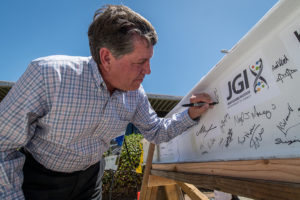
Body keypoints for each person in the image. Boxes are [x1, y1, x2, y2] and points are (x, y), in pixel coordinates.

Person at [0, 4, 213, 200]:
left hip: (91, 179)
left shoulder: (135, 94)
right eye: (140, 62)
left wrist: (190, 114)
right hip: (40, 181)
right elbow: (3, 145)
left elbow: (155, 131)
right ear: (107, 58)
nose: (148, 71)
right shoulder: (48, 77)